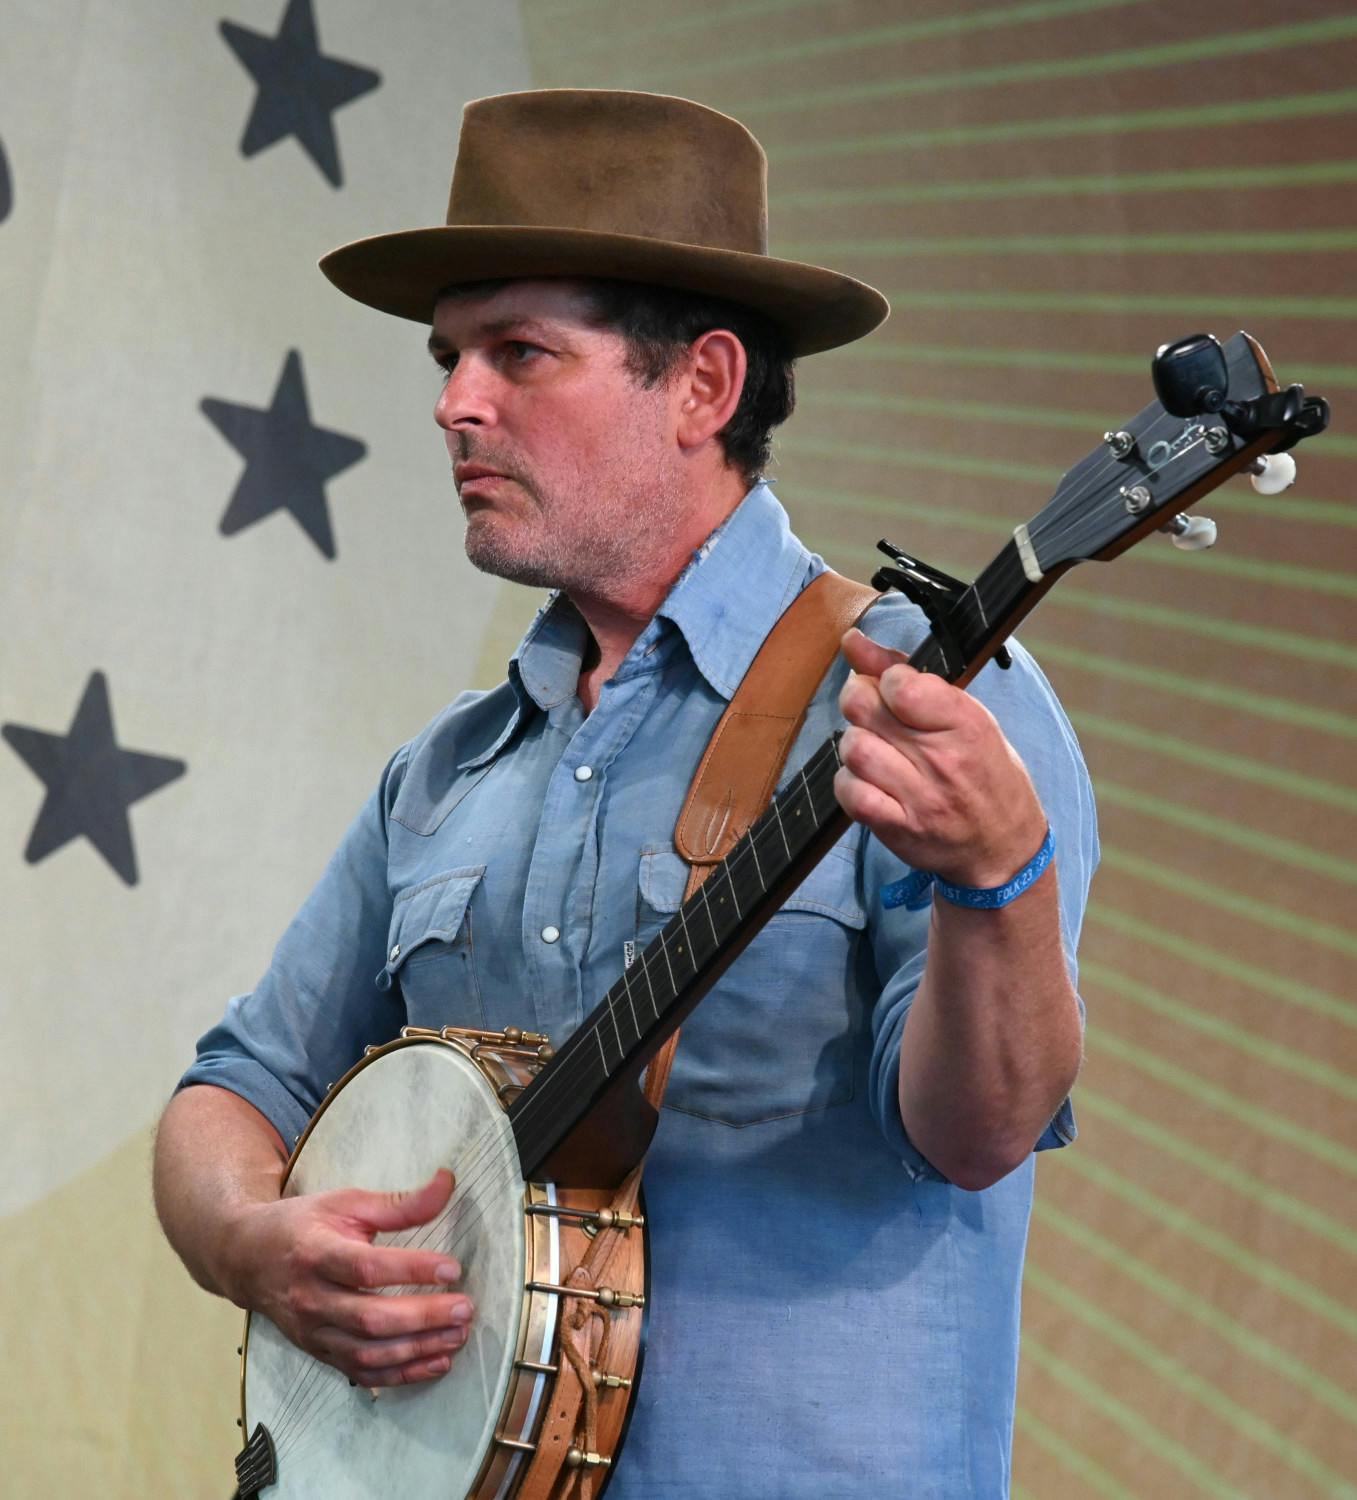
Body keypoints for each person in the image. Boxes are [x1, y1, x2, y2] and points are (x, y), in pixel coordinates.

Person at [154, 89, 1095, 1497]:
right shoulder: (447, 770)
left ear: (703, 387)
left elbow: (978, 1135)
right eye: (450, 357)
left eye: (519, 353)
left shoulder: (926, 699)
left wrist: (1000, 883)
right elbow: (237, 1088)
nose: (455, 403)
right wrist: (251, 1243)